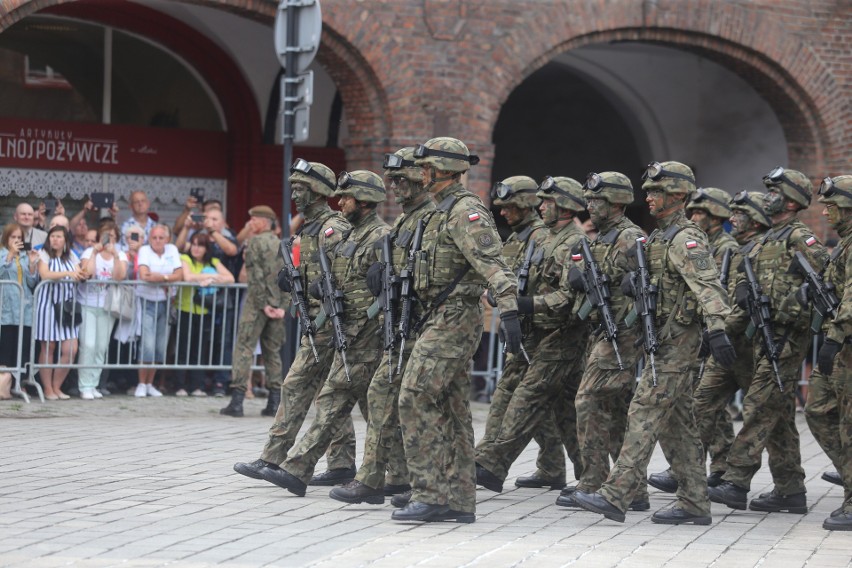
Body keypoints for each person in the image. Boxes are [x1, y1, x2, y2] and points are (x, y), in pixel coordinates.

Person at [573, 160, 735, 525]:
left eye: (656, 191)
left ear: (677, 195)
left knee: (642, 411)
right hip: (660, 340)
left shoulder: (685, 238)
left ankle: (617, 493)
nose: (648, 197)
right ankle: (694, 502)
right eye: (648, 191)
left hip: (678, 344)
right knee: (679, 425)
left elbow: (707, 285)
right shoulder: (661, 237)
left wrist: (717, 328)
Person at [391, 137, 520, 524]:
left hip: (454, 318)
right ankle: (460, 498)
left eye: (427, 166)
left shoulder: (465, 211)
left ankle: (430, 493)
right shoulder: (437, 211)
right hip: (435, 316)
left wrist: (510, 312)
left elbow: (493, 264)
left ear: (442, 169)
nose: (421, 172)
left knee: (413, 395)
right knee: (452, 408)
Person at [253, 170, 390, 496]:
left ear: (365, 200)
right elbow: (339, 278)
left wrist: (384, 273)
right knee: (353, 402)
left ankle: (389, 475)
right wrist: (309, 285)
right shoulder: (351, 235)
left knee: (359, 403)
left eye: (346, 197)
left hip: (367, 334)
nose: (340, 202)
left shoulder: (379, 236)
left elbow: (390, 286)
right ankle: (306, 467)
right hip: (344, 329)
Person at [709, 167, 828, 514]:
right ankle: (790, 489)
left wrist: (794, 304)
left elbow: (824, 285)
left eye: (775, 191)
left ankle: (736, 480)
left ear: (791, 201)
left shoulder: (800, 239)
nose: (768, 197)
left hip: (788, 339)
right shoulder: (765, 241)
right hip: (762, 337)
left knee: (759, 406)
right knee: (777, 413)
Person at [232, 160, 357, 488]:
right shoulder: (311, 228)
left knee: (300, 386)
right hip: (316, 323)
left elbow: (348, 275)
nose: (295, 195)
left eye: (301, 189)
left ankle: (274, 458)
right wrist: (294, 278)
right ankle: (341, 463)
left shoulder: (334, 229)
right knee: (324, 395)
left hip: (333, 324)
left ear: (318, 192)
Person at [328, 148, 435, 507]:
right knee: (383, 396)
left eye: (402, 179)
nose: (396, 187)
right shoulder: (407, 221)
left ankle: (431, 485)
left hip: (431, 324)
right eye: (393, 181)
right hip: (404, 322)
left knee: (425, 405)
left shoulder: (434, 217)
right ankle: (387, 480)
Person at [475, 175, 588, 494]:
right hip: (536, 334)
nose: (542, 207)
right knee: (563, 409)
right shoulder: (547, 238)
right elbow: (513, 278)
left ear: (565, 206)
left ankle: (490, 465)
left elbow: (566, 296)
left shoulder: (574, 241)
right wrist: (507, 303)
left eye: (548, 202)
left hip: (561, 336)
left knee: (528, 399)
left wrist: (521, 306)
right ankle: (583, 474)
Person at [556, 171, 650, 511]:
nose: (590, 205)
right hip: (601, 331)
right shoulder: (600, 239)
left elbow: (646, 288)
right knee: (615, 408)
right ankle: (634, 490)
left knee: (588, 399)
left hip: (622, 333)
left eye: (597, 200)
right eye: (590, 199)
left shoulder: (630, 237)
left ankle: (594, 479)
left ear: (617, 203)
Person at [649, 186, 738, 492]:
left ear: (716, 215)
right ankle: (706, 472)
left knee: (708, 403)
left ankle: (723, 471)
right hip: (696, 331)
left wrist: (716, 328)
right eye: (695, 211)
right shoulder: (685, 239)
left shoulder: (723, 246)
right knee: (704, 404)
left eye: (702, 212)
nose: (696, 216)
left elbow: (715, 289)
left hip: (717, 331)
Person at [810, 174, 852, 530]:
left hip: (846, 343)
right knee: (819, 411)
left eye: (831, 206)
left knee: (850, 424)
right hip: (842, 346)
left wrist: (835, 336)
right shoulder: (844, 244)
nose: (825, 212)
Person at [219, 205, 287, 416]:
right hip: (276, 306)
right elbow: (287, 277)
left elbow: (255, 276)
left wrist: (262, 303)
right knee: (272, 352)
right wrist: (282, 306)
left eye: (254, 220)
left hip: (257, 306)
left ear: (264, 222)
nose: (250, 223)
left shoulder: (254, 242)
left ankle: (237, 400)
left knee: (244, 348)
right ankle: (274, 401)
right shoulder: (280, 244)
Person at [174, 231, 235, 396]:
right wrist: (209, 276)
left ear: (206, 248)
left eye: (200, 245)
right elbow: (187, 277)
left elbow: (230, 278)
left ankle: (197, 386)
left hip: (204, 311)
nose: (196, 248)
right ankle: (180, 385)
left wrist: (207, 278)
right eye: (193, 244)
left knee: (200, 349)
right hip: (185, 308)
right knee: (183, 348)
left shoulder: (213, 261)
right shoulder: (185, 259)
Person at [76, 224, 127, 400]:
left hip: (107, 306)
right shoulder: (88, 253)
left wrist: (114, 256)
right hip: (87, 304)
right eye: (106, 235)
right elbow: (87, 273)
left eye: (112, 236)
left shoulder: (120, 255)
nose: (109, 239)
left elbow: (119, 277)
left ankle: (94, 383)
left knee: (101, 347)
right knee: (88, 345)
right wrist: (94, 253)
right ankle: (84, 385)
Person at [35, 226, 86, 400]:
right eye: (53, 236)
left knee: (71, 349)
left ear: (65, 240)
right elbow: (44, 274)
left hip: (67, 307)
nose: (55, 239)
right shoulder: (44, 254)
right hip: (47, 305)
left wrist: (83, 273)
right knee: (48, 347)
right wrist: (68, 273)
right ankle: (48, 388)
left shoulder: (71, 256)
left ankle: (57, 386)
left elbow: (80, 272)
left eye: (59, 237)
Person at [134, 224, 182, 397]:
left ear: (167, 239)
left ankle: (150, 384)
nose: (157, 241)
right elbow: (144, 275)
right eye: (154, 237)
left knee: (160, 345)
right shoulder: (145, 250)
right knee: (147, 343)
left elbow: (179, 274)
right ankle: (141, 383)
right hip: (147, 301)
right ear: (149, 238)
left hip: (166, 301)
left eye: (161, 238)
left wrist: (161, 277)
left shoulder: (172, 250)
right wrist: (168, 278)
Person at [0, 223, 40, 400]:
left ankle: (16, 383)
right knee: (6, 348)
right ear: (6, 238)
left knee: (23, 348)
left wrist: (32, 265)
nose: (16, 241)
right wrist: (9, 255)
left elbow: (32, 283)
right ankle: (5, 383)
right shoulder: (2, 254)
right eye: (13, 237)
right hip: (7, 309)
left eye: (19, 238)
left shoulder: (25, 257)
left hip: (25, 309)